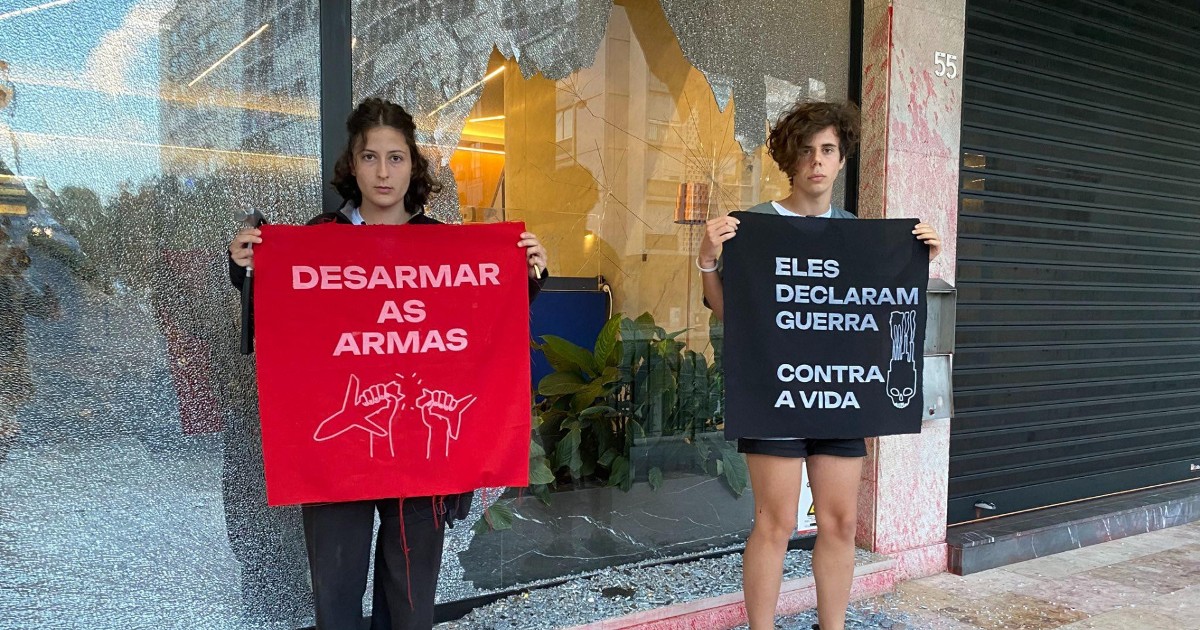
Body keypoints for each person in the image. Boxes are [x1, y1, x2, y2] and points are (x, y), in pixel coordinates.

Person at [227, 98, 548, 630]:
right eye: (370, 157)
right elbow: (284, 331)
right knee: (336, 592)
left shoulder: (445, 245)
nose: (383, 172)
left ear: (412, 165)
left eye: (395, 158)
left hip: (421, 447)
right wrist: (247, 271)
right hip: (336, 449)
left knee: (410, 600)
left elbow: (480, 331)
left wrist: (525, 275)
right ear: (352, 165)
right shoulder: (317, 238)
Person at [697, 100, 940, 630]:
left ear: (842, 159)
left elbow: (878, 307)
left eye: (828, 150)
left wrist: (918, 258)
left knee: (840, 521)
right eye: (806, 151)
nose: (817, 161)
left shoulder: (854, 231)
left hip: (840, 394)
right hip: (774, 392)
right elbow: (730, 311)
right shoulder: (754, 225)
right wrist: (708, 259)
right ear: (791, 159)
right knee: (775, 523)